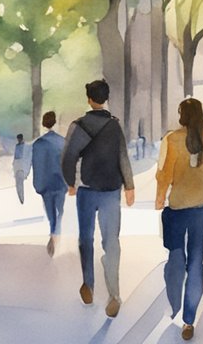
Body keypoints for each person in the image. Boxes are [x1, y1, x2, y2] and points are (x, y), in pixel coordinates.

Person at [62, 79, 136, 318]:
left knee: (85, 238)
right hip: (111, 189)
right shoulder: (114, 126)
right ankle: (114, 293)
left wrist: (70, 183)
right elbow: (122, 155)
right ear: (106, 98)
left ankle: (89, 285)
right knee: (111, 241)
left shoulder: (79, 125)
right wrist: (129, 186)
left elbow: (68, 157)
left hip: (86, 189)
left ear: (89, 99)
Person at [155, 98, 203, 341]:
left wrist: (160, 198)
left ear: (182, 114)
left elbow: (164, 174)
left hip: (176, 208)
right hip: (200, 211)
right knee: (196, 264)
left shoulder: (172, 139)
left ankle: (174, 304)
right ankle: (189, 320)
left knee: (175, 258)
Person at [29, 111, 68, 256]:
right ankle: (56, 235)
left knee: (50, 212)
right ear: (55, 122)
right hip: (60, 183)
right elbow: (67, 163)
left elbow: (37, 165)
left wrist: (38, 185)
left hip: (45, 184)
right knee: (60, 211)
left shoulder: (38, 144)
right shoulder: (62, 142)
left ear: (43, 124)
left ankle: (53, 233)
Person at [12, 133, 30, 204]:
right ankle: (21, 198)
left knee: (20, 183)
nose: (18, 140)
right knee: (18, 183)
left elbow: (27, 157)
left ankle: (22, 198)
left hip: (21, 164)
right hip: (17, 164)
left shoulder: (25, 146)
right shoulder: (17, 146)